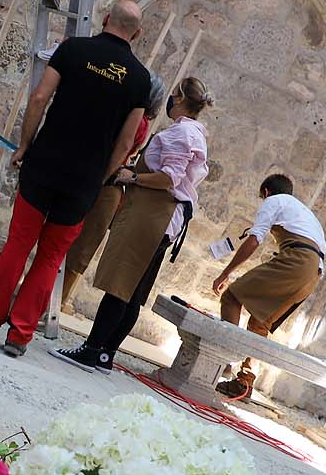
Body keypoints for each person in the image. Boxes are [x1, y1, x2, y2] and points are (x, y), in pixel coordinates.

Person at [0, 1, 152, 357]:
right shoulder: (140, 79)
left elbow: (39, 97)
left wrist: (24, 145)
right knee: (51, 257)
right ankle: (20, 335)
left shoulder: (73, 49)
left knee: (18, 244)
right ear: (138, 34)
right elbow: (127, 141)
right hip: (84, 180)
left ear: (105, 19)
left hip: (45, 163)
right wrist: (103, 177)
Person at [55, 77, 212, 372]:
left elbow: (169, 178)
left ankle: (92, 349)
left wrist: (133, 177)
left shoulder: (180, 133)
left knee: (120, 285)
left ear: (177, 99)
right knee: (134, 292)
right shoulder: (196, 133)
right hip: (163, 218)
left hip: (152, 214)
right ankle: (106, 353)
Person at [59, 72, 169, 306]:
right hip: (106, 182)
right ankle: (56, 300)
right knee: (76, 246)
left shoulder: (136, 120)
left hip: (104, 183)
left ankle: (56, 301)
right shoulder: (139, 120)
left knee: (79, 248)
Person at [210, 174, 326, 383]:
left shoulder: (273, 201)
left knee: (231, 296)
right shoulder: (306, 214)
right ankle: (244, 382)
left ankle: (223, 362)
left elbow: (255, 240)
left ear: (266, 192)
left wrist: (224, 273)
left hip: (297, 260)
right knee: (260, 322)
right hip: (313, 274)